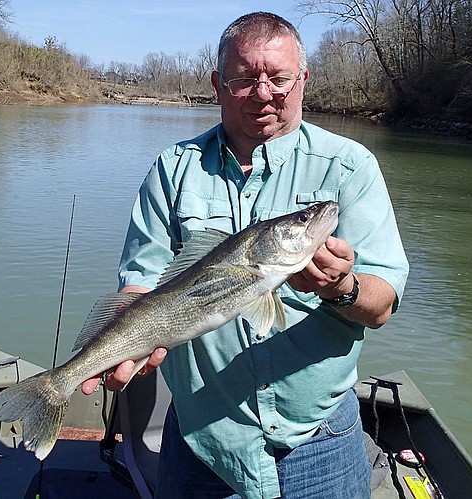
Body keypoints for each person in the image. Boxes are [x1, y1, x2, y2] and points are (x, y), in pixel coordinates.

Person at [81, 11, 409, 499]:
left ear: (303, 79)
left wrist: (342, 287)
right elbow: (140, 285)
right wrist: (125, 347)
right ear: (217, 84)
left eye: (278, 78)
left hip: (318, 441)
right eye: (242, 80)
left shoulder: (350, 167)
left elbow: (381, 306)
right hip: (200, 442)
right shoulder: (173, 170)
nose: (263, 94)